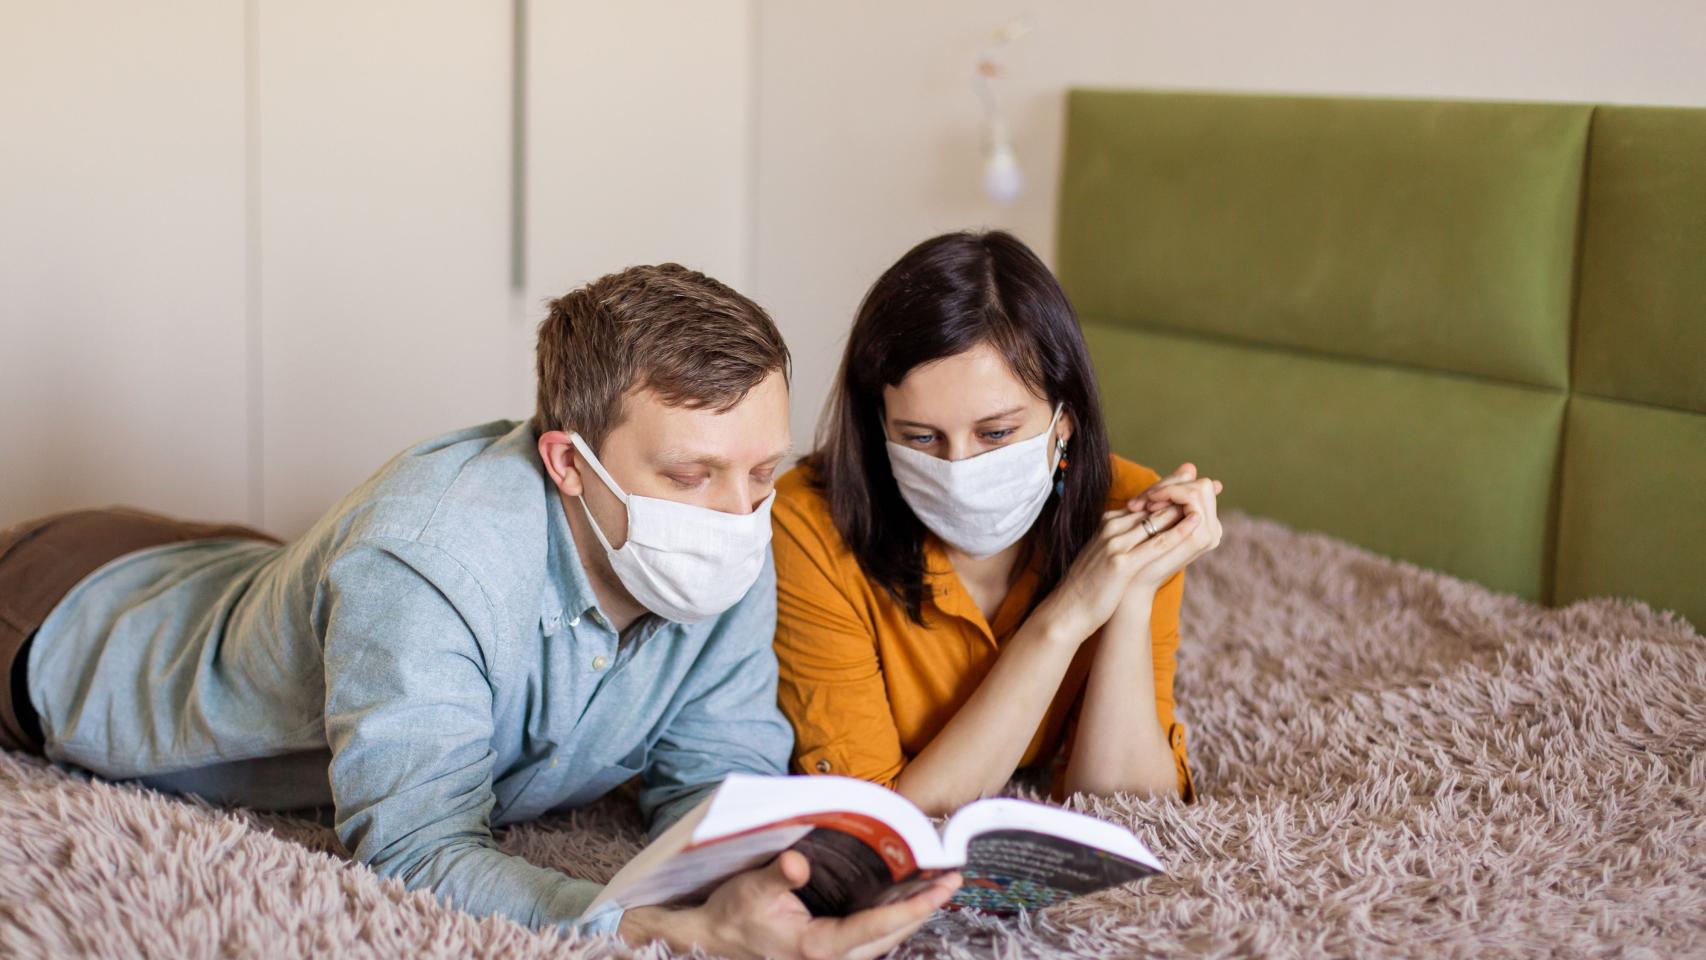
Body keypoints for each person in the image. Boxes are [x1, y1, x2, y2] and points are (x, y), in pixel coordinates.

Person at [0, 264, 958, 958]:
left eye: (760, 470)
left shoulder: (737, 538)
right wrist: (651, 926)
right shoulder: (422, 560)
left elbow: (715, 782)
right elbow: (415, 844)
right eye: (689, 474)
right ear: (566, 464)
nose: (738, 512)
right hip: (64, 614)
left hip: (235, 563)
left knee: (302, 588)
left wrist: (774, 880)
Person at [771, 231, 1223, 816]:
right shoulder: (806, 524)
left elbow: (1128, 804)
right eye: (920, 437)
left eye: (996, 433)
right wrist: (1065, 619)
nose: (959, 467)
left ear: (1066, 418)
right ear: (878, 423)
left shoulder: (1130, 508)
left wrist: (1131, 591)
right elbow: (881, 821)